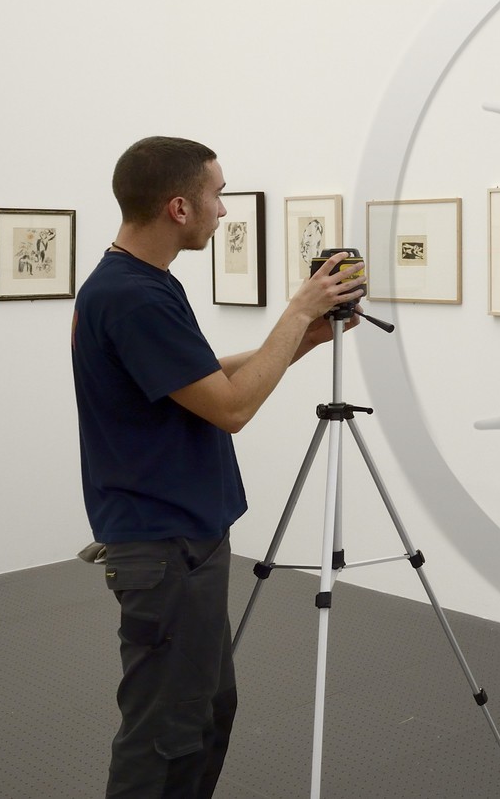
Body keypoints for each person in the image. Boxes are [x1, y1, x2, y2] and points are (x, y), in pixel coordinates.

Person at [72, 136, 366, 798]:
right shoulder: (133, 297)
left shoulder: (140, 282)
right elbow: (231, 409)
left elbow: (203, 379)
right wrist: (297, 310)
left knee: (204, 714)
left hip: (184, 540)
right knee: (165, 734)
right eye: (217, 195)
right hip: (162, 544)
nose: (225, 210)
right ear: (179, 207)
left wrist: (299, 339)